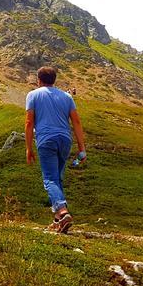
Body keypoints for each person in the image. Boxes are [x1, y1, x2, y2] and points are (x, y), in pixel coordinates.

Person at [25, 66, 87, 233]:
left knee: (49, 179)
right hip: (65, 140)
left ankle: (63, 212)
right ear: (54, 80)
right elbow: (76, 122)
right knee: (58, 178)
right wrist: (81, 147)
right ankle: (58, 220)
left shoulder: (33, 95)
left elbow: (29, 123)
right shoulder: (67, 96)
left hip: (46, 140)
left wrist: (28, 148)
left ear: (39, 80)